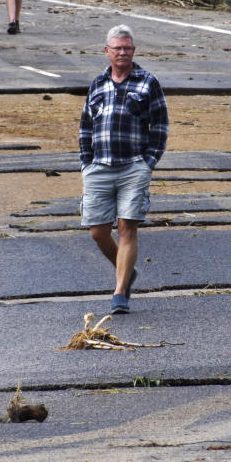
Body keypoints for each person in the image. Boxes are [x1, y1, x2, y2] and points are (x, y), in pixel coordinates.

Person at [79, 25, 169, 315]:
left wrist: (149, 161)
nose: (122, 52)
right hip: (99, 166)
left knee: (126, 226)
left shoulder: (147, 82)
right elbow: (85, 125)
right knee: (97, 232)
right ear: (107, 51)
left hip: (133, 166)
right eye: (117, 48)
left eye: (127, 48)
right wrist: (86, 161)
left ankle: (120, 293)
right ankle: (127, 272)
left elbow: (161, 124)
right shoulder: (98, 84)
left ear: (133, 51)